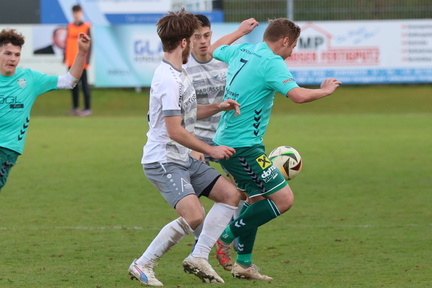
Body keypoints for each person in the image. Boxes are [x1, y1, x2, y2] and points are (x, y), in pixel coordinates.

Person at [127, 10, 255, 287]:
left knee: (231, 194)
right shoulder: (168, 79)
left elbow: (188, 112)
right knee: (194, 214)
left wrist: (218, 106)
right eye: (193, 38)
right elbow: (175, 130)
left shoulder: (178, 72)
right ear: (184, 42)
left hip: (181, 157)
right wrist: (212, 151)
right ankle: (143, 263)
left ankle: (199, 256)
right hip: (163, 160)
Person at [208, 18, 342, 280]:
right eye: (292, 46)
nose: (292, 52)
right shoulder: (271, 62)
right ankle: (224, 238)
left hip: (233, 140)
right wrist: (325, 91)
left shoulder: (246, 48)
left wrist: (239, 32)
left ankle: (244, 264)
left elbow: (214, 48)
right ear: (283, 41)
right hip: (242, 148)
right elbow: (298, 96)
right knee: (284, 200)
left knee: (257, 200)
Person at [184, 14, 248, 272]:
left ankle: (232, 243)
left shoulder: (226, 64)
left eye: (207, 36)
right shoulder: (183, 70)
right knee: (193, 204)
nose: (202, 41)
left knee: (242, 193)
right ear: (187, 39)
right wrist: (192, 146)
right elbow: (179, 112)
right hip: (195, 143)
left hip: (224, 140)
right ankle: (201, 246)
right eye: (197, 37)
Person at [0, 28, 91, 191]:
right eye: (8, 53)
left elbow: (69, 81)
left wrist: (82, 52)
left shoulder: (29, 79)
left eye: (17, 54)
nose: (13, 58)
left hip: (6, 149)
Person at [64, 4, 92, 116]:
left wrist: (88, 59)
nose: (76, 15)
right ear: (72, 14)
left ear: (82, 13)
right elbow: (66, 42)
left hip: (82, 61)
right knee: (72, 85)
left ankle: (87, 108)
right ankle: (75, 107)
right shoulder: (69, 26)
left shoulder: (86, 26)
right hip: (71, 60)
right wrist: (64, 56)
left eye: (78, 12)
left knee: (84, 85)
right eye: (75, 12)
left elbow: (91, 44)